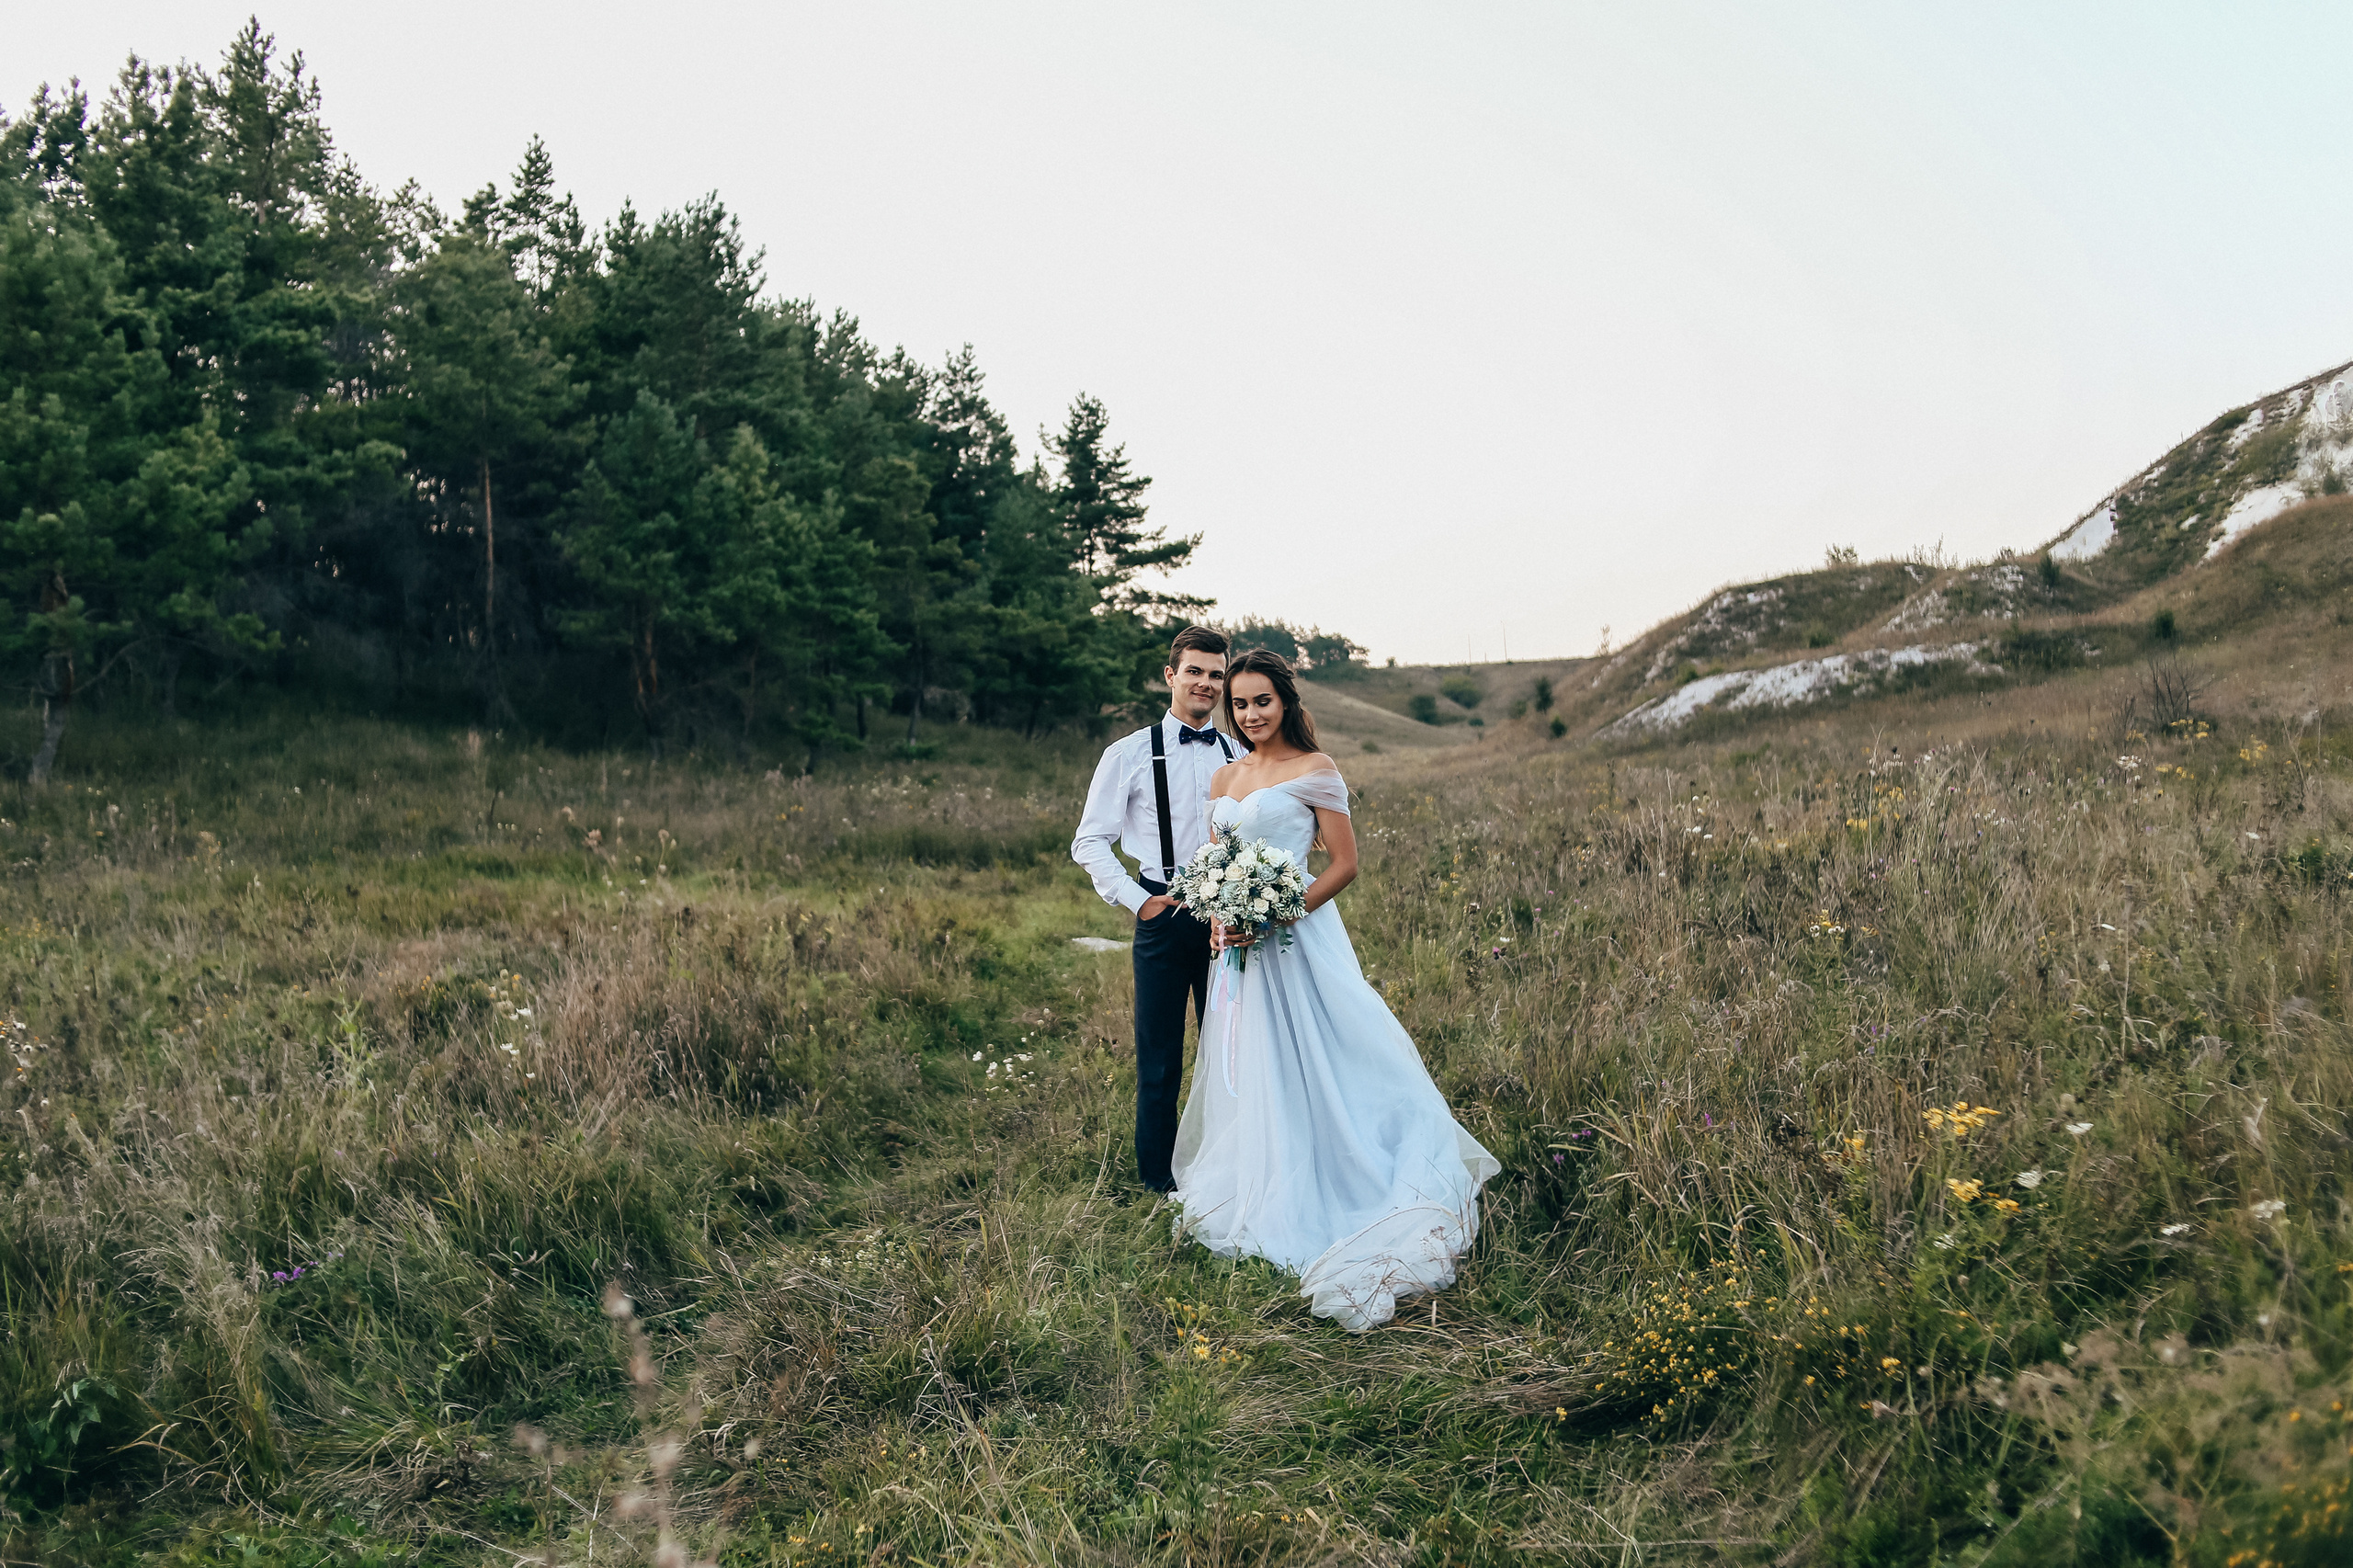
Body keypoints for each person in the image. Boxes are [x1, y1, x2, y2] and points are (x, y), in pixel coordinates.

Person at [1172, 649, 1498, 1331]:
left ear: (1286, 702)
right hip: (1240, 950)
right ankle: (1269, 1173)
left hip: (1296, 937)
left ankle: (1357, 1168)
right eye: (1239, 704)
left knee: (1330, 1047)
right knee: (1258, 1060)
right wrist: (1221, 917)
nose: (1250, 714)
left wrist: (1279, 913)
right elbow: (1216, 859)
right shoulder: (1225, 776)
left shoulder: (1316, 769)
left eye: (1262, 701)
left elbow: (1344, 864)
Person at [1071, 627, 1236, 1193]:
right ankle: (1158, 1183)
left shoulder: (1241, 754)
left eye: (1216, 675)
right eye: (1195, 671)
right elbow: (1090, 840)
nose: (1205, 683)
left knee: (1231, 1054)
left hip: (1229, 919)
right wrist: (1139, 902)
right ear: (1171, 676)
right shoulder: (1128, 753)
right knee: (1160, 1059)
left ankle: (1226, 1173)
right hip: (1163, 915)